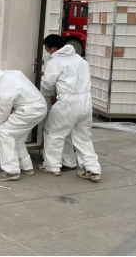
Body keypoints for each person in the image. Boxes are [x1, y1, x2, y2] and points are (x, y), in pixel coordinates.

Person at [39, 34, 102, 182]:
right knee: (83, 138)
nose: (47, 52)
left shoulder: (56, 62)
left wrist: (43, 76)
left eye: (47, 49)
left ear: (54, 48)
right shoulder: (80, 59)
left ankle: (52, 166)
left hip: (68, 102)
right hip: (85, 102)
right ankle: (92, 169)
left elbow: (48, 84)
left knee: (54, 133)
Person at [0, 69, 48, 182]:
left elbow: (2, 115)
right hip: (39, 107)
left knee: (4, 132)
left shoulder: (1, 91)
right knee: (17, 138)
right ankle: (26, 167)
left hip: (29, 111)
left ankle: (11, 171)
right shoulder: (7, 74)